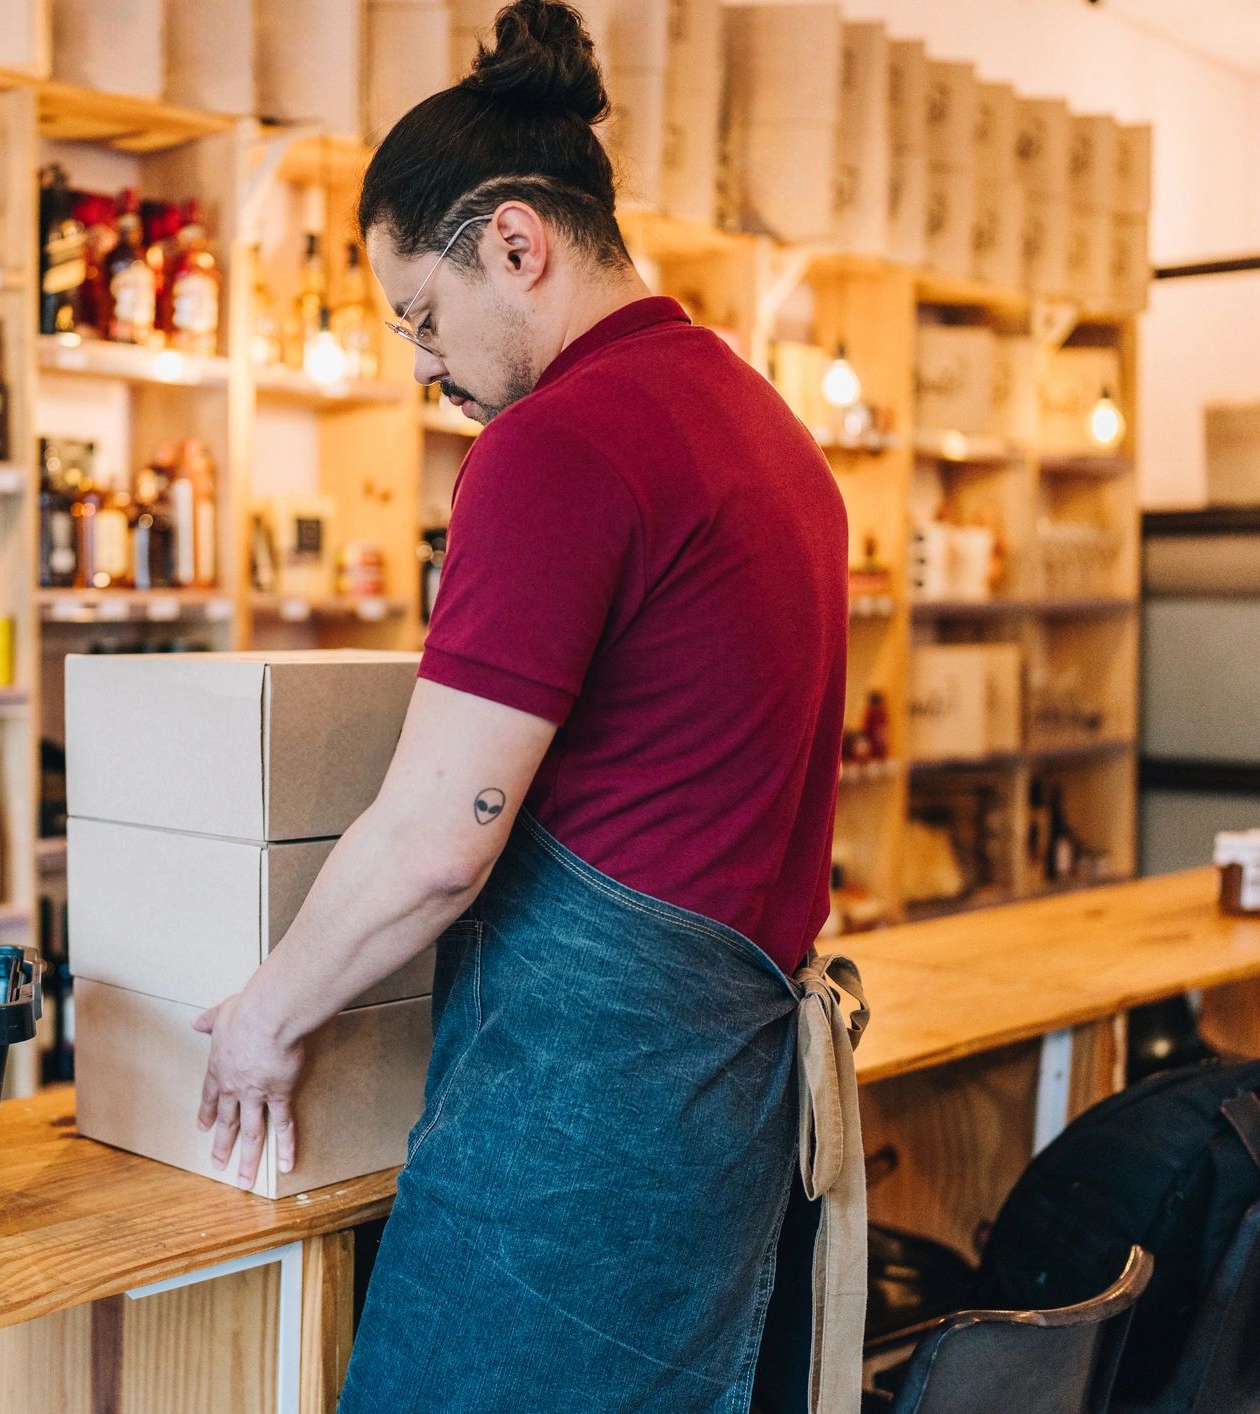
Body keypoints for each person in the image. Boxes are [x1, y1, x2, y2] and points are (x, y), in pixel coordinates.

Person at [192, 2, 868, 1408]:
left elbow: (442, 833)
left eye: (423, 317)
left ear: (516, 242)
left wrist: (266, 1017)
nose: (423, 368)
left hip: (581, 1144)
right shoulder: (769, 433)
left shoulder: (557, 444)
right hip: (719, 1115)